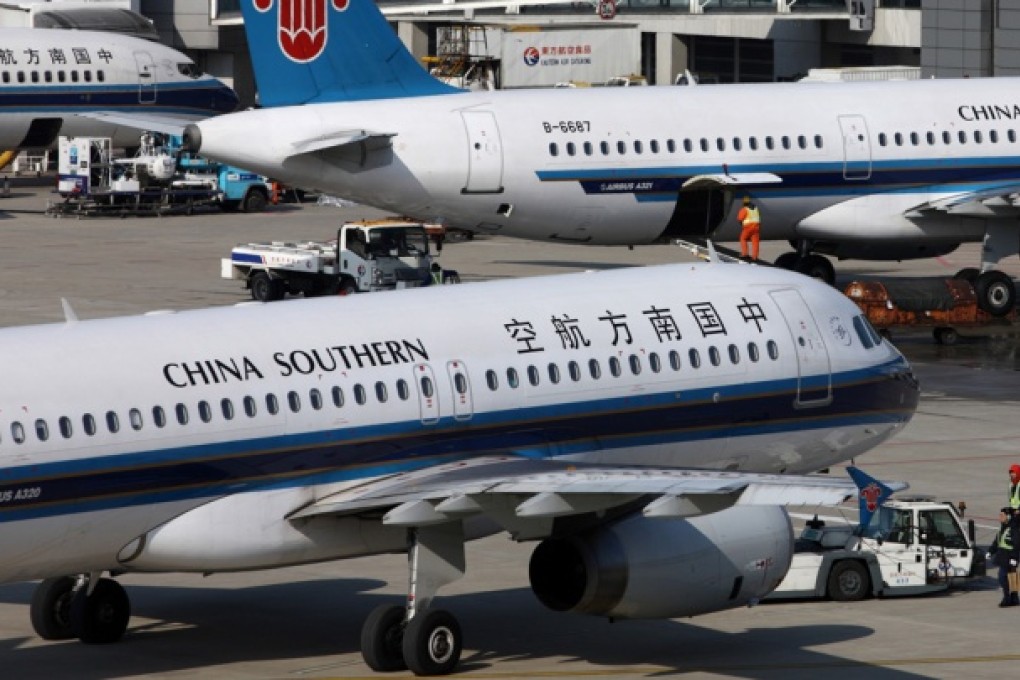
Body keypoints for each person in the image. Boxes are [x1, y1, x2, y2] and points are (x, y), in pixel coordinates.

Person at [988, 507, 1020, 607]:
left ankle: (1007, 597)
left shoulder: (1014, 528)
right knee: (1012, 577)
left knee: (1003, 577)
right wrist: (990, 551)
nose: (999, 517)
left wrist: (1014, 558)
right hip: (1003, 556)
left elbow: (1017, 544)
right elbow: (997, 541)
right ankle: (1014, 597)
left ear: (1008, 516)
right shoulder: (1003, 527)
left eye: (1002, 515)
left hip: (1010, 556)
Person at [736, 195, 761, 262]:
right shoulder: (756, 209)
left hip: (748, 227)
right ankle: (755, 257)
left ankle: (745, 254)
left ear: (744, 202)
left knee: (743, 239)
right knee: (755, 242)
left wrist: (742, 224)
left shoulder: (744, 209)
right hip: (756, 227)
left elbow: (739, 219)